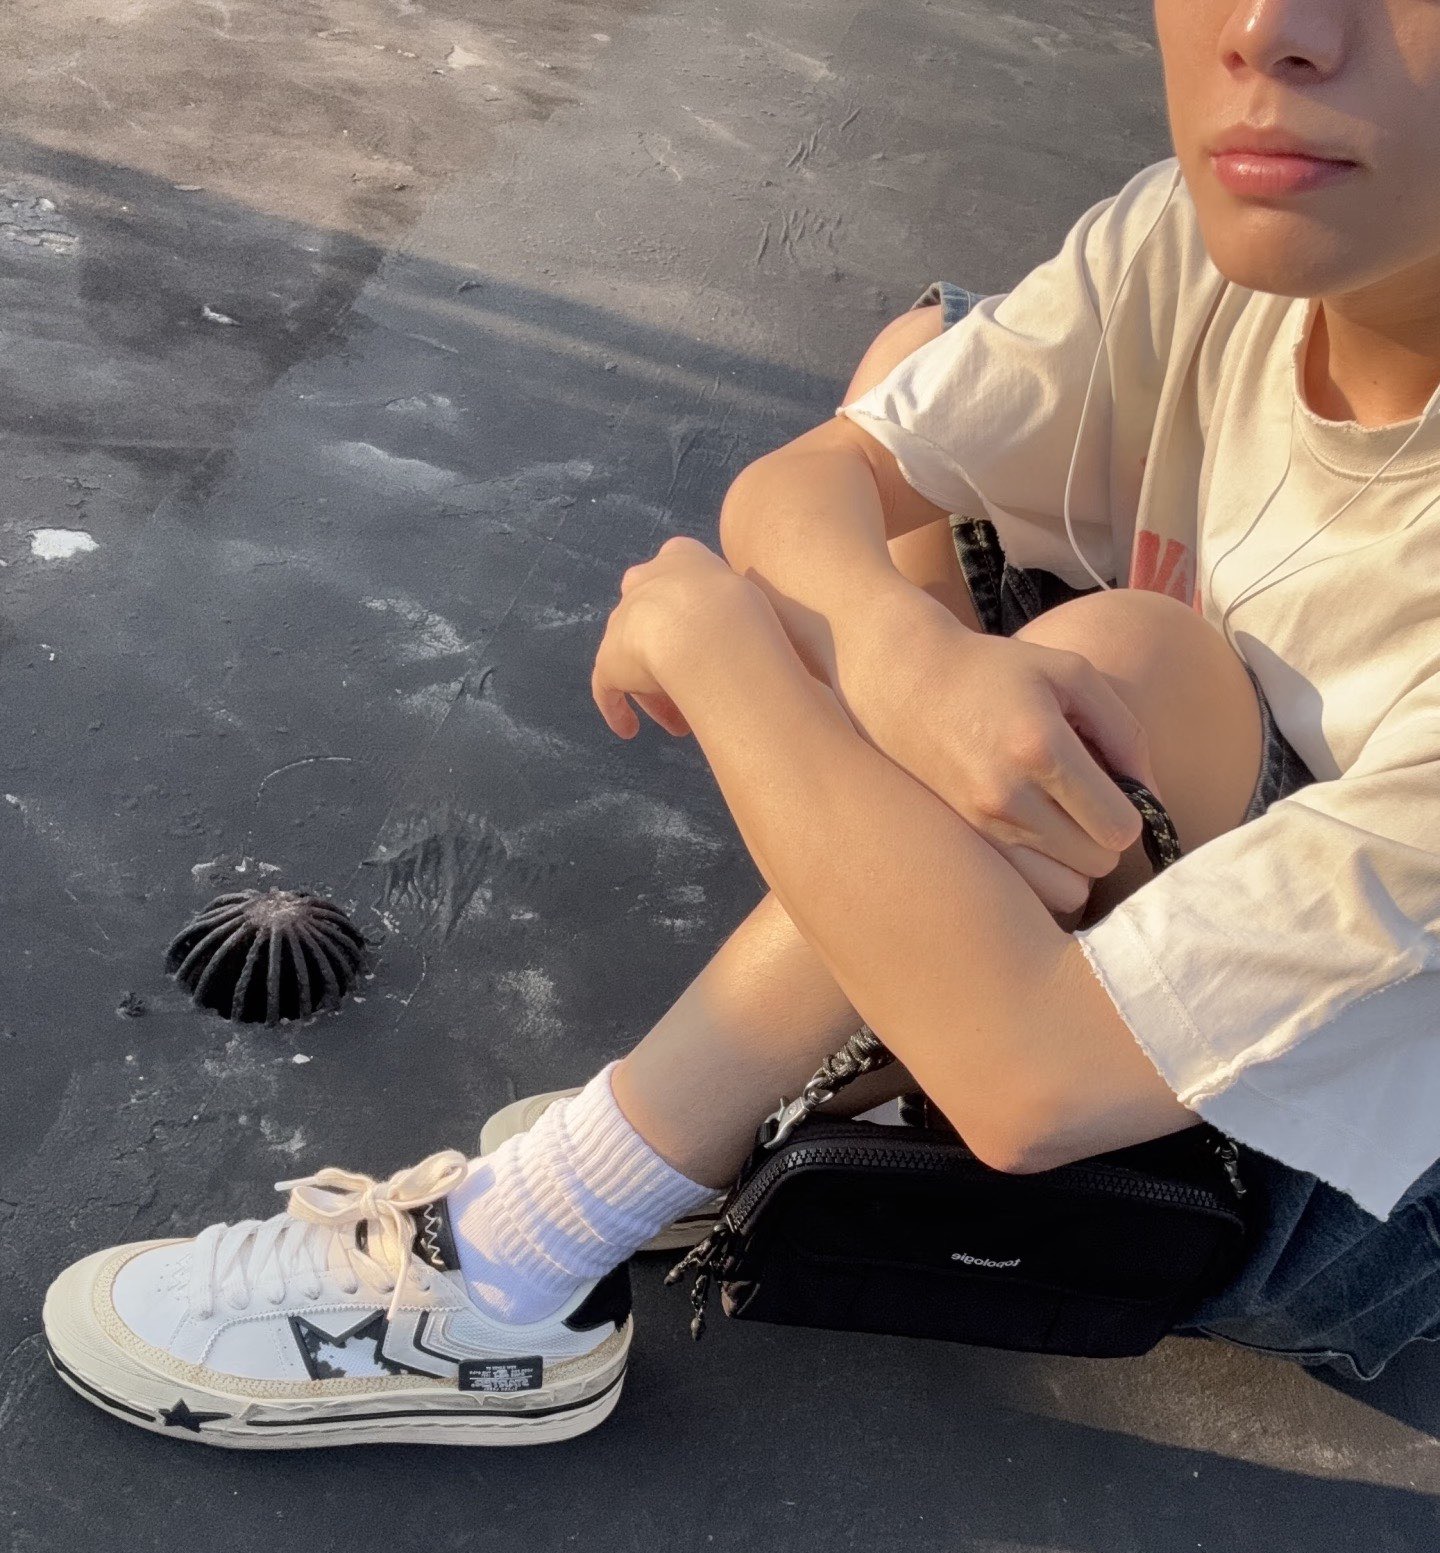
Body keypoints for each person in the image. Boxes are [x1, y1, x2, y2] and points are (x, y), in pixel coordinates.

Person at [43, 0, 1440, 1446]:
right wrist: (902, 655)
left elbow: (1029, 1086)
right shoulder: (1200, 236)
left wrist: (731, 666)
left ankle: (510, 1271)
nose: (1271, 27)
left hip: (1369, 1203)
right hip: (1225, 923)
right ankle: (865, 1034)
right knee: (932, 356)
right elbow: (811, 484)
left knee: (1127, 676)